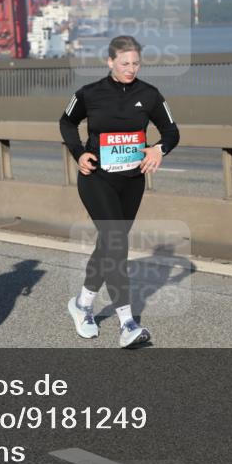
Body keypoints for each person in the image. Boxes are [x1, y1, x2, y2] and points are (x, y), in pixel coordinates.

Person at [59, 35, 179, 348]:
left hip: (132, 180)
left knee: (110, 243)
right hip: (96, 177)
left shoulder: (149, 94)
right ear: (110, 61)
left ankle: (82, 304)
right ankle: (127, 323)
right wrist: (78, 153)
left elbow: (171, 130)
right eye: (124, 63)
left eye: (135, 63)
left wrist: (158, 149)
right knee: (116, 243)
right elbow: (66, 122)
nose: (130, 69)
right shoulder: (90, 93)